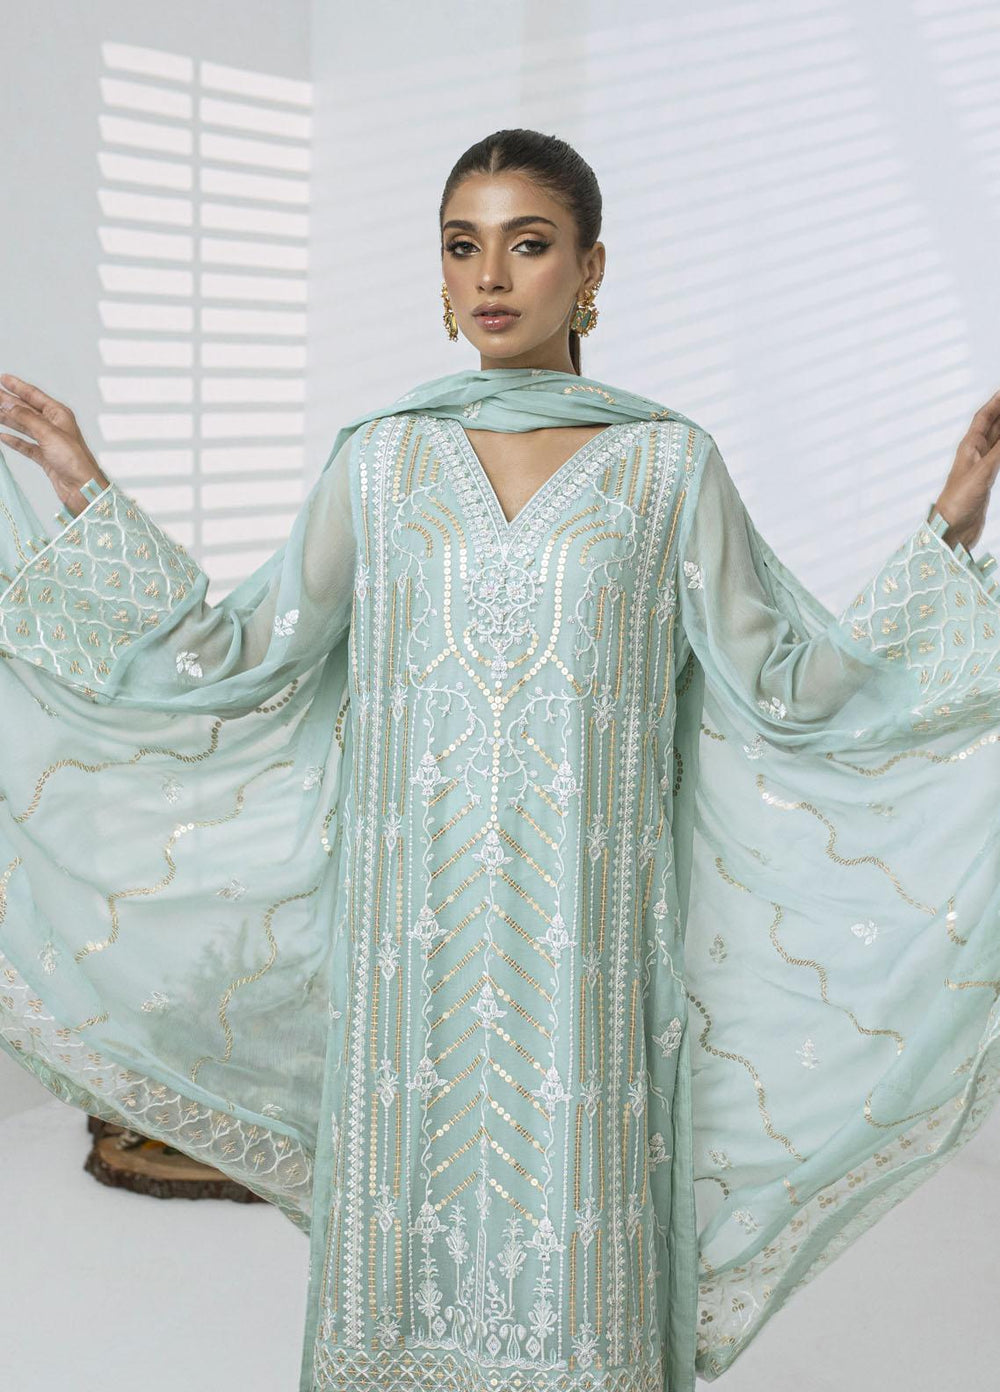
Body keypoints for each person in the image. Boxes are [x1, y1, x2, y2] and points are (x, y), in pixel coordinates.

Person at [0, 127, 998, 1392]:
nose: (490, 277)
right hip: (408, 945)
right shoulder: (383, 458)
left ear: (590, 269)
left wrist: (950, 519)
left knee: (573, 1239)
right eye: (461, 246)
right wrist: (83, 485)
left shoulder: (664, 465)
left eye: (527, 244)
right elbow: (235, 652)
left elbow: (791, 689)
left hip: (583, 946)